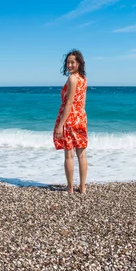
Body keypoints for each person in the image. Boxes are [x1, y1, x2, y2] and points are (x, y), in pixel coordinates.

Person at [53, 49, 88, 194]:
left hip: (70, 119)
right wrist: (82, 117)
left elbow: (68, 103)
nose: (69, 65)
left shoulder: (72, 79)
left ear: (79, 63)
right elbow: (83, 102)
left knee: (69, 155)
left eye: (72, 62)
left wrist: (60, 125)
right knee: (81, 154)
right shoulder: (83, 79)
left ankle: (70, 187)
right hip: (81, 117)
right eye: (68, 62)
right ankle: (83, 187)